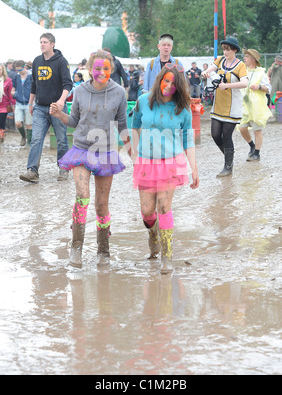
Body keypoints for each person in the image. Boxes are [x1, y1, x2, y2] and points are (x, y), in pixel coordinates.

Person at [50, 50, 132, 269]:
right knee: (83, 195)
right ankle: (76, 247)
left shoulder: (118, 93)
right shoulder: (80, 91)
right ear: (89, 69)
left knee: (101, 205)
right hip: (82, 150)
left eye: (106, 68)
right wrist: (60, 115)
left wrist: (131, 148)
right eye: (97, 68)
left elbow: (123, 125)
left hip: (105, 151)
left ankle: (103, 251)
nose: (101, 72)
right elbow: (75, 120)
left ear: (111, 69)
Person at [132, 63, 199, 274]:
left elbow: (188, 139)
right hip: (146, 163)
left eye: (173, 83)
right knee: (147, 211)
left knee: (163, 207)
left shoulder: (183, 108)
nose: (169, 86)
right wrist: (133, 151)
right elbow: (134, 126)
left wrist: (193, 168)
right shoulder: (144, 101)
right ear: (160, 80)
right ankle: (153, 234)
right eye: (166, 80)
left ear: (179, 88)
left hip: (171, 163)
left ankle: (167, 255)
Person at [19, 32, 73, 183]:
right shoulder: (37, 61)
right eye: (40, 42)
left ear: (52, 44)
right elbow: (34, 84)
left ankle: (63, 168)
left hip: (57, 107)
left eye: (45, 42)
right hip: (40, 108)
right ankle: (32, 171)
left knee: (62, 139)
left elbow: (68, 84)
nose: (42, 44)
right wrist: (31, 103)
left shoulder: (61, 61)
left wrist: (62, 101)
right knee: (36, 138)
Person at [202, 36, 248, 177]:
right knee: (216, 135)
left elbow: (245, 83)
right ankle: (229, 157)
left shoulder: (240, 65)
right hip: (218, 106)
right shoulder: (220, 60)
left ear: (234, 50)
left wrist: (226, 85)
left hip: (232, 107)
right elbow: (212, 68)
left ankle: (228, 166)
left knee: (226, 136)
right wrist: (206, 72)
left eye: (228, 49)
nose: (225, 52)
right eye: (224, 49)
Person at [239, 49, 272, 161]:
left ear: (253, 59)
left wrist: (259, 87)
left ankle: (256, 153)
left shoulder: (261, 72)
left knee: (257, 130)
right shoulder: (242, 71)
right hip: (244, 105)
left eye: (247, 56)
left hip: (256, 106)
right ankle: (252, 145)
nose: (244, 58)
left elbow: (268, 89)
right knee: (242, 128)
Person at [12, 60, 33, 146]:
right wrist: (14, 93)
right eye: (17, 70)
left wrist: (32, 101)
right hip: (19, 103)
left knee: (29, 124)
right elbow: (13, 88)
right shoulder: (16, 77)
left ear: (24, 67)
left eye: (20, 70)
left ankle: (29, 142)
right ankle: (23, 136)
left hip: (29, 103)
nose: (19, 72)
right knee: (17, 122)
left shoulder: (31, 76)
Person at [0, 63, 15, 143]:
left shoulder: (8, 80)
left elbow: (10, 94)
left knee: (1, 122)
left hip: (4, 106)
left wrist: (13, 104)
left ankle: (1, 137)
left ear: (3, 70)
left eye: (0, 70)